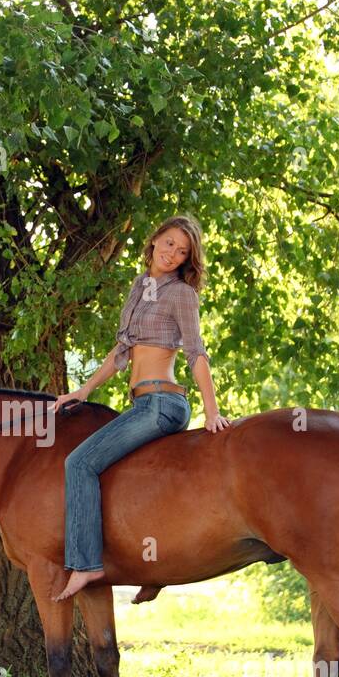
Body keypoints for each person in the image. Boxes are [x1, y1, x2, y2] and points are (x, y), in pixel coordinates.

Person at [46, 214, 231, 603]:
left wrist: (212, 411)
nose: (173, 254)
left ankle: (86, 563)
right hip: (143, 401)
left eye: (182, 252)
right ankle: (147, 561)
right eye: (169, 244)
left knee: (79, 463)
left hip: (163, 403)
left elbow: (196, 352)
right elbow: (121, 353)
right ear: (154, 241)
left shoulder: (181, 294)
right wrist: (83, 390)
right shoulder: (140, 286)